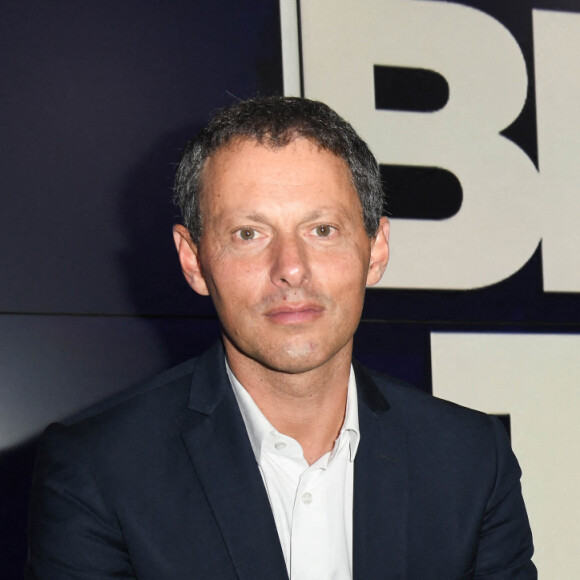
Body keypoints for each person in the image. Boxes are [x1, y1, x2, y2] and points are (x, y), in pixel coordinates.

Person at [26, 96, 536, 579]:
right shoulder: (99, 470)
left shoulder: (471, 463)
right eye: (249, 233)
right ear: (194, 260)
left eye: (322, 230)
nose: (291, 269)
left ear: (376, 249)